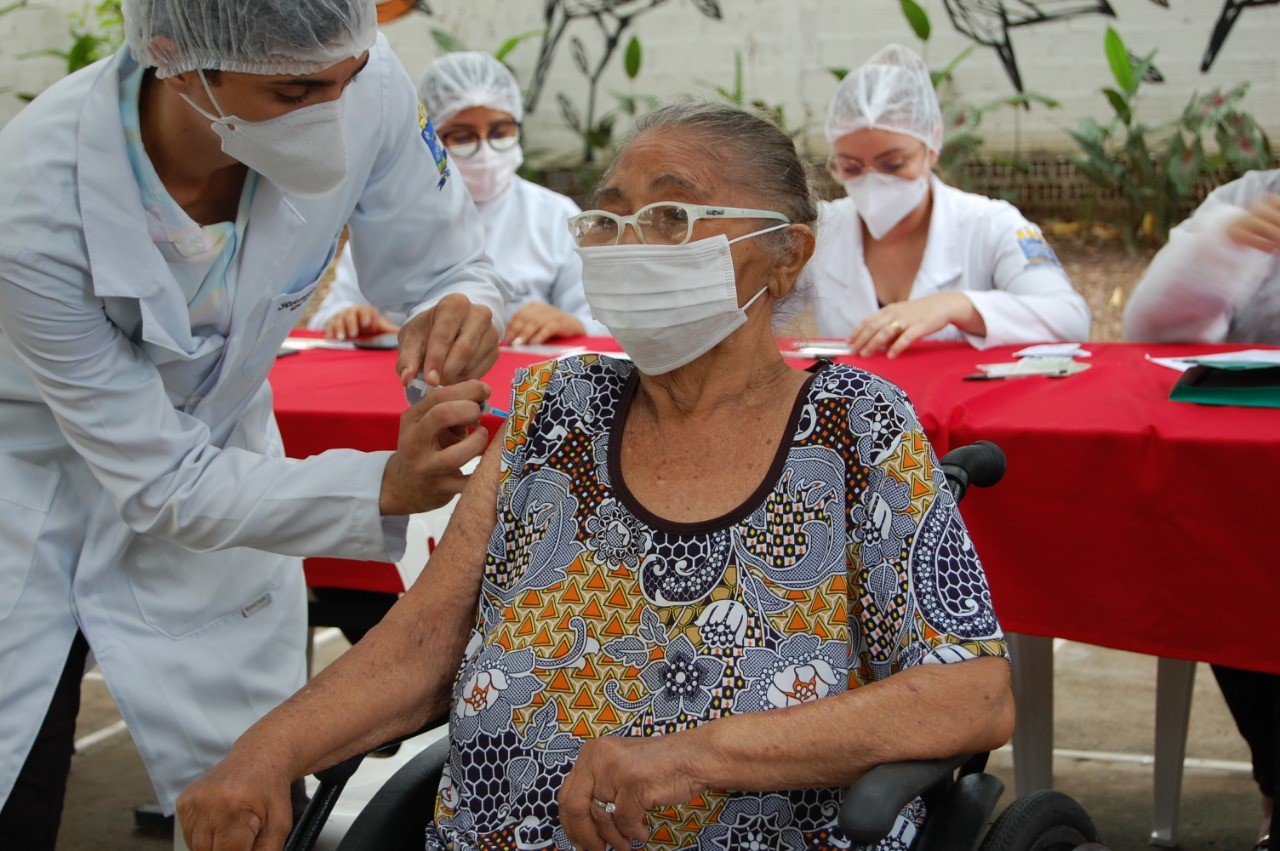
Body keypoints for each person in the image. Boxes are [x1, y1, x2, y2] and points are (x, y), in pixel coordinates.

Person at [177, 102, 1014, 851]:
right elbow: (422, 645)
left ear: (785, 256)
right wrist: (265, 750)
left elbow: (972, 693)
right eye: (608, 223)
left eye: (672, 215)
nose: (629, 244)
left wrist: (699, 756)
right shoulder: (555, 408)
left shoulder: (855, 425)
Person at [0, 0, 513, 846]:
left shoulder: (357, 73)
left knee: (255, 797)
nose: (330, 121)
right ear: (174, 58)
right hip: (33, 490)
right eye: (294, 94)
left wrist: (458, 305)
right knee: (21, 775)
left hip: (225, 486)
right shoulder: (33, 202)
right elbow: (163, 483)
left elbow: (451, 262)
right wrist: (382, 484)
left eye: (344, 84)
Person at [1125, 169, 1280, 851]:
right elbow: (1153, 327)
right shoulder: (1255, 199)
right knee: (1223, 562)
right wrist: (1222, 247)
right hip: (1253, 484)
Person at [801, 44, 1089, 358]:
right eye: (852, 167)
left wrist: (957, 306)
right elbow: (759, 308)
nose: (873, 181)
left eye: (893, 164)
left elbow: (1070, 319)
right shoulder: (822, 232)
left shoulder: (991, 225)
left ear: (932, 146)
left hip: (963, 405)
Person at [309, 51, 604, 345]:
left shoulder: (554, 216)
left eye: (500, 132)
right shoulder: (389, 213)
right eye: (462, 137)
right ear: (431, 138)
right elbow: (328, 318)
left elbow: (600, 321)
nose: (485, 151)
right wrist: (350, 318)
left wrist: (569, 321)